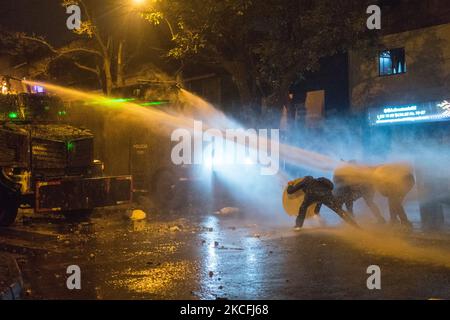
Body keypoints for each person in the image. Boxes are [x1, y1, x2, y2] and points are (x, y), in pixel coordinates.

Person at [287, 176, 360, 230]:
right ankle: (355, 226)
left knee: (303, 208)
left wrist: (290, 184)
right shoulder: (321, 180)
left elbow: (290, 191)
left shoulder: (305, 181)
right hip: (326, 195)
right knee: (339, 210)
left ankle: (298, 226)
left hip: (311, 194)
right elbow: (331, 187)